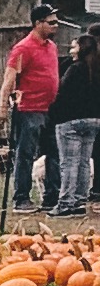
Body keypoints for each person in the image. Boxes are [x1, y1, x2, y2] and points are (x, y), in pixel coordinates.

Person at [1, 3, 62, 215]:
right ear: (38, 23)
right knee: (25, 153)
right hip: (29, 108)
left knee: (54, 152)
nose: (56, 26)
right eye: (51, 22)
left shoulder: (51, 47)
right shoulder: (22, 48)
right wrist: (2, 106)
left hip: (50, 108)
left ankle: (52, 196)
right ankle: (21, 198)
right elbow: (10, 78)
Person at [53, 25, 100, 218]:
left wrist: (54, 112)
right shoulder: (96, 69)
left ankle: (66, 203)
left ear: (82, 49)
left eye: (74, 46)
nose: (71, 50)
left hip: (70, 121)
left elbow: (61, 93)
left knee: (69, 163)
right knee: (83, 163)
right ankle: (80, 200)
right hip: (94, 120)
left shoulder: (75, 69)